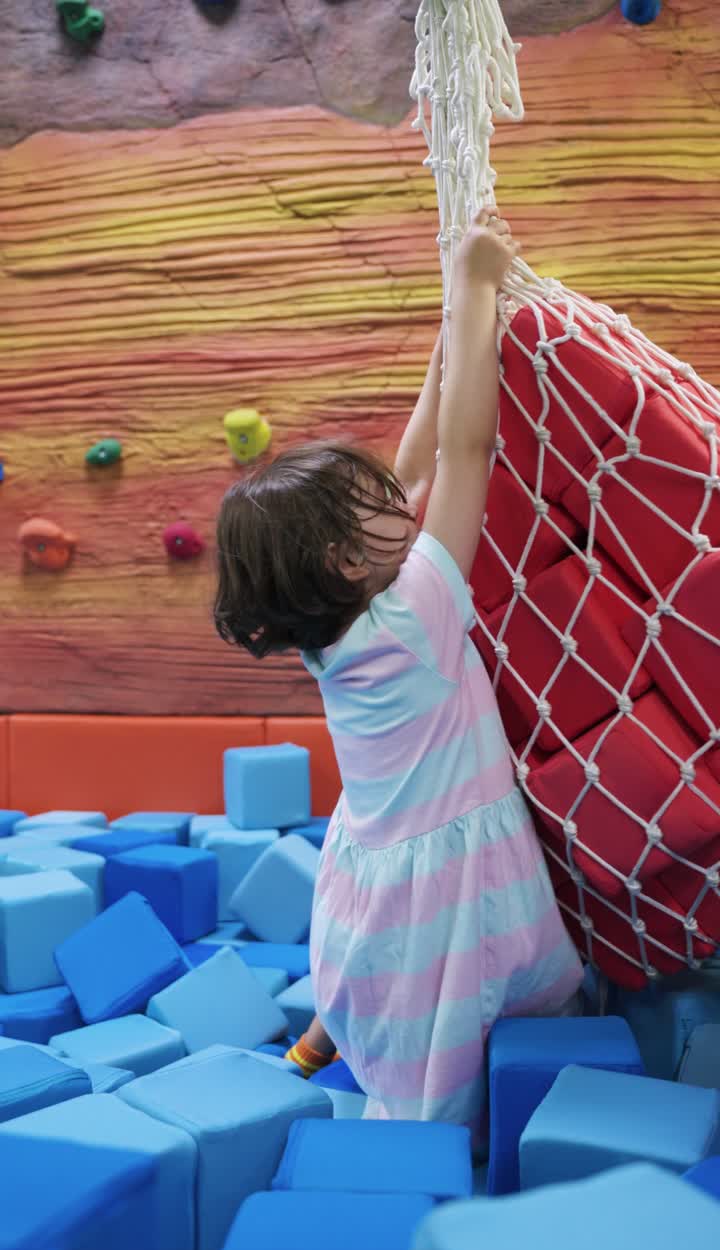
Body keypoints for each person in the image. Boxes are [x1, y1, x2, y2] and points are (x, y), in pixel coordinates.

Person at [214, 210, 583, 1139]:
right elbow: (465, 455)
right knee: (441, 1053)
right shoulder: (418, 606)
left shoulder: (336, 631)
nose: (397, 494)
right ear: (347, 558)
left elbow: (417, 460)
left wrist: (449, 337)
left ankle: (323, 1038)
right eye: (373, 503)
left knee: (372, 976)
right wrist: (478, 283)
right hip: (445, 888)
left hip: (368, 876)